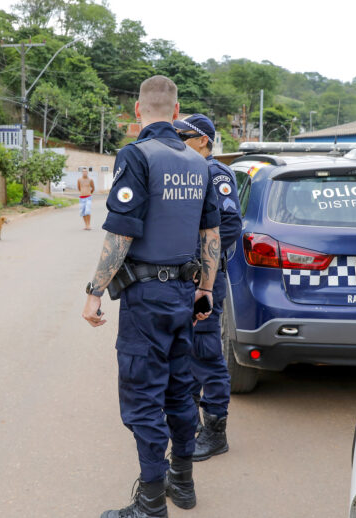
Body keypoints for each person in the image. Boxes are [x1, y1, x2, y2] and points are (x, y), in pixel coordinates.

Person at [82, 76, 221, 518]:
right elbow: (211, 235)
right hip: (186, 293)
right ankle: (183, 484)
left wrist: (94, 292)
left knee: (144, 395)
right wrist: (205, 291)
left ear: (138, 112)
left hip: (147, 299)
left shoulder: (136, 156)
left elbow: (121, 232)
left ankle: (149, 504)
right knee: (181, 391)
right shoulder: (200, 163)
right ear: (177, 112)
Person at [174, 114, 243, 462]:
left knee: (206, 353)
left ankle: (216, 433)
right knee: (188, 353)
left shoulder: (215, 173)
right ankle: (194, 424)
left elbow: (229, 225)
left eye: (183, 135)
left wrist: (203, 270)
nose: (177, 140)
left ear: (203, 140)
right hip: (188, 278)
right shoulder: (189, 172)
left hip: (207, 278)